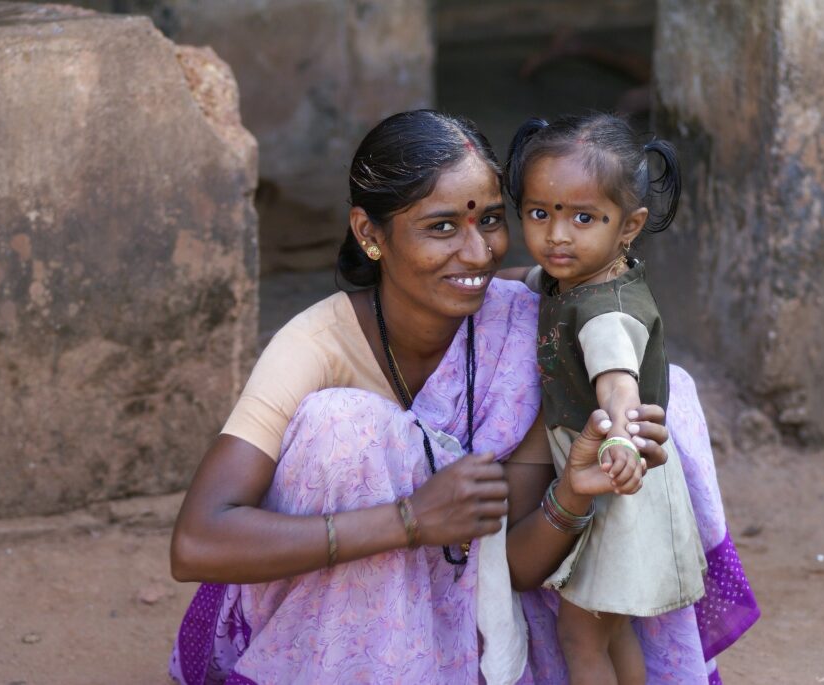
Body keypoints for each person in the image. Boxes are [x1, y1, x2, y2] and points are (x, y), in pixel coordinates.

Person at [166, 109, 673, 685]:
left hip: (480, 622)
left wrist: (574, 493)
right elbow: (197, 542)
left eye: (490, 220)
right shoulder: (315, 345)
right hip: (328, 620)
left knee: (663, 383)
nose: (480, 252)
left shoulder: (522, 332)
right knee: (345, 422)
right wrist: (411, 520)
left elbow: (508, 567)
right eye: (441, 227)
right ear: (369, 234)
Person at [500, 113, 711, 684]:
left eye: (584, 218)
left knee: (580, 633)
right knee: (609, 631)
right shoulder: (579, 277)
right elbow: (529, 282)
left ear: (630, 225)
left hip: (618, 487)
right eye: (539, 214)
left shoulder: (605, 313)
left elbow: (616, 379)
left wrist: (619, 431)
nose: (557, 235)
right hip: (616, 484)